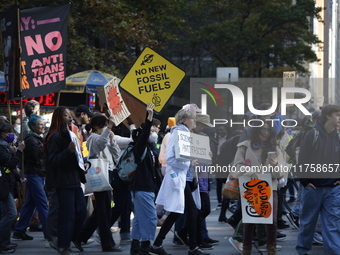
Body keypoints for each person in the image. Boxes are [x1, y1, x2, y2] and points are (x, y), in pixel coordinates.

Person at [151, 107, 208, 255]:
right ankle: (192, 247)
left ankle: (158, 244)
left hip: (180, 178)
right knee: (189, 211)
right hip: (177, 178)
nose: (195, 120)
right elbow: (171, 158)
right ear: (184, 120)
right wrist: (189, 163)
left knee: (178, 212)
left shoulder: (182, 133)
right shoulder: (178, 134)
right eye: (192, 118)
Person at [232, 121, 285, 255]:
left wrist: (275, 164)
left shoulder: (275, 147)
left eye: (268, 130)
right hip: (251, 186)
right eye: (263, 130)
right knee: (250, 220)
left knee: (271, 221)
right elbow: (236, 168)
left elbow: (281, 172)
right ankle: (246, 250)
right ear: (256, 131)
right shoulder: (244, 146)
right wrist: (249, 171)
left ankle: (271, 250)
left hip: (270, 187)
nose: (266, 133)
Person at [43, 106, 90, 255]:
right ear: (58, 118)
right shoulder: (56, 137)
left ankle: (74, 237)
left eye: (70, 115)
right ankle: (64, 245)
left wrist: (85, 162)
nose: (70, 118)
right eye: (66, 115)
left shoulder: (72, 134)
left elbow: (78, 154)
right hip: (63, 182)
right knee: (67, 214)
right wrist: (67, 151)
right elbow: (53, 160)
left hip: (75, 179)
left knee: (81, 210)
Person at [296, 104, 340, 255]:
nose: (339, 118)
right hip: (313, 188)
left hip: (333, 188)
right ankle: (302, 251)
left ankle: (334, 252)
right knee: (308, 222)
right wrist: (305, 182)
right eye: (337, 115)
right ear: (328, 116)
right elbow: (302, 160)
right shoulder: (312, 134)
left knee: (332, 223)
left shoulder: (338, 136)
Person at [80, 114, 123, 252]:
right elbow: (100, 145)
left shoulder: (105, 137)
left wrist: (112, 141)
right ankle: (107, 243)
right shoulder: (93, 138)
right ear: (97, 126)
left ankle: (81, 236)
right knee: (103, 211)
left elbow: (116, 155)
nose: (107, 128)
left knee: (102, 210)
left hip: (108, 173)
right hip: (100, 174)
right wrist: (108, 129)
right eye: (104, 125)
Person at [129, 103, 160, 255]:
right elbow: (144, 134)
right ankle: (145, 246)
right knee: (151, 218)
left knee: (139, 218)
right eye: (151, 130)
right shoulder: (139, 147)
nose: (154, 132)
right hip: (142, 187)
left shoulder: (147, 149)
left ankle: (135, 245)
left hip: (142, 187)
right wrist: (149, 118)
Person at [12, 114, 48, 241]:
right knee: (43, 204)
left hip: (37, 174)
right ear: (33, 126)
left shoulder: (38, 138)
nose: (43, 126)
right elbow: (39, 154)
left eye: (43, 123)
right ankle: (49, 233)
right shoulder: (32, 139)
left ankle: (19, 230)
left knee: (30, 204)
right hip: (33, 174)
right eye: (40, 124)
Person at [0, 122, 25, 253]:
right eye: (10, 133)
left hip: (7, 182)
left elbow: (10, 169)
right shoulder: (1, 148)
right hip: (2, 184)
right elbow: (9, 163)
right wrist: (19, 152)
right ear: (3, 134)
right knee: (11, 213)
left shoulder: (7, 147)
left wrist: (17, 178)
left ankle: (5, 242)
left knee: (5, 213)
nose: (13, 135)